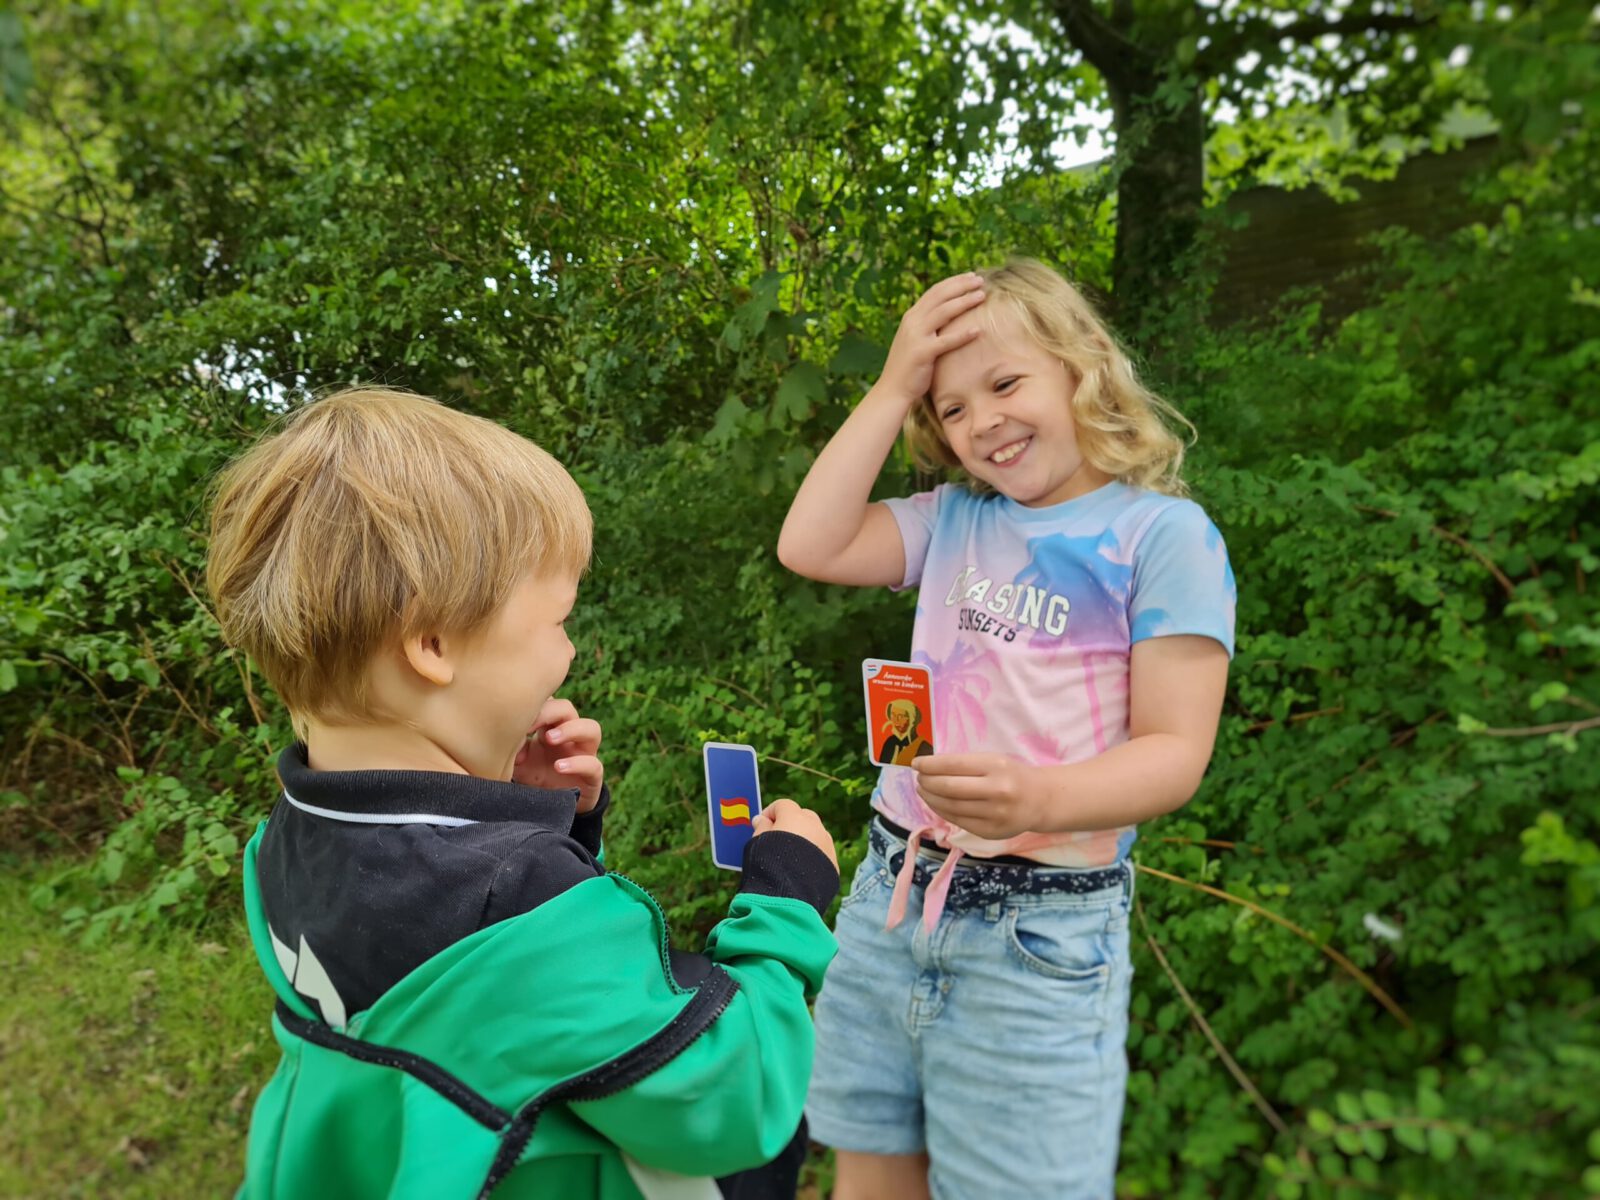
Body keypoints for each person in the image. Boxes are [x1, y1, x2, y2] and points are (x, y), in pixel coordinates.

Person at [206, 386, 841, 1200]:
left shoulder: (287, 843)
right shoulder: (518, 901)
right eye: (557, 621)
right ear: (432, 645)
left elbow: (500, 1013)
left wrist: (548, 825)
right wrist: (788, 897)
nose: (568, 653)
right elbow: (733, 1098)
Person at [777, 260, 1235, 1200]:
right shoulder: (953, 520)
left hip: (1040, 931)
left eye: (1006, 383)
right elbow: (809, 544)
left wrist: (1043, 799)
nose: (982, 420)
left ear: (1083, 367)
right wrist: (892, 381)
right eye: (949, 408)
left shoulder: (1164, 539)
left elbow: (1175, 754)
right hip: (888, 897)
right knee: (866, 1163)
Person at [877, 698, 932, 766]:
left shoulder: (923, 747)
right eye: (893, 715)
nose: (896, 720)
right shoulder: (889, 742)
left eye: (901, 716)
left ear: (912, 719)